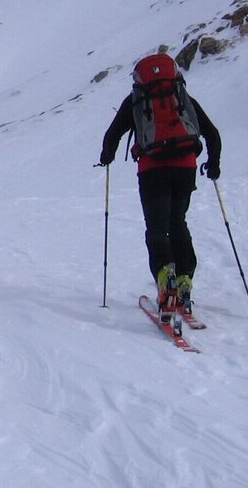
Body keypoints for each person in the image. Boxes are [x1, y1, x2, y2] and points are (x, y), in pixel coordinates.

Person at [99, 54, 221, 314]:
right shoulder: (182, 99)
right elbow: (212, 134)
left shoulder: (137, 100)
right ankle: (184, 280)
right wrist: (213, 164)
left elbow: (112, 135)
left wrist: (106, 157)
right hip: (185, 167)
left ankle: (166, 279)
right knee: (178, 222)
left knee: (156, 227)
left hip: (153, 169)